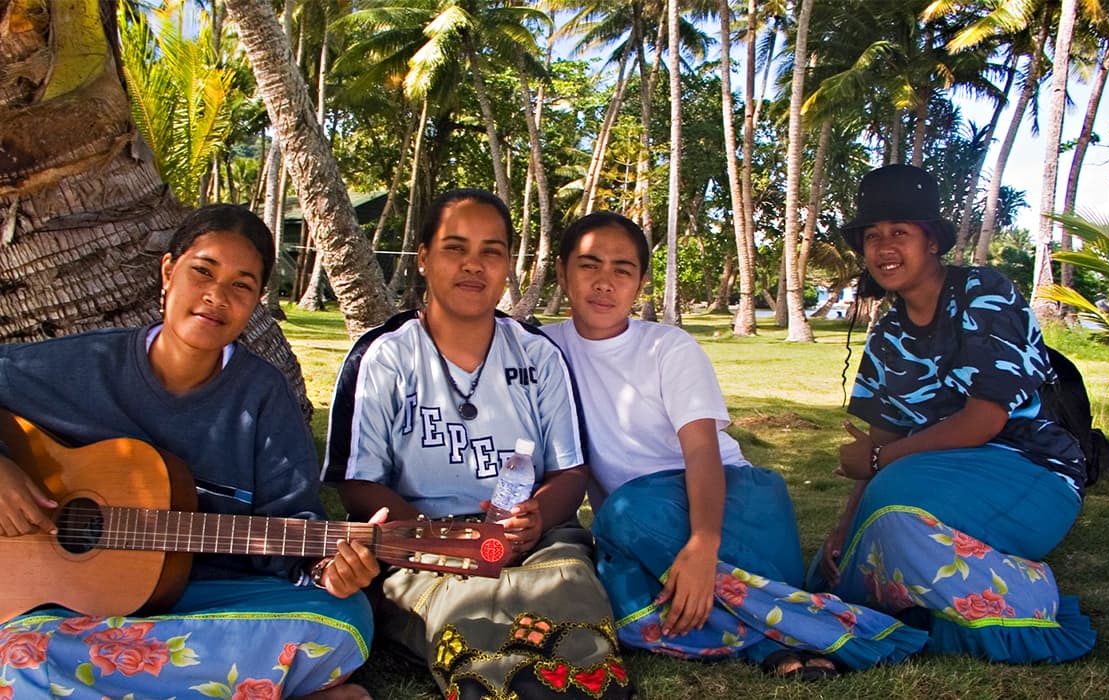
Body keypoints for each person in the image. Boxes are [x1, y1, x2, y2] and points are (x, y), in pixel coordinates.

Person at [0, 204, 382, 699]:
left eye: (241, 286)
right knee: (17, 652)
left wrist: (326, 570)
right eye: (202, 270)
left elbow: (294, 531)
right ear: (167, 272)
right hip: (77, 607)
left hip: (212, 604)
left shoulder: (263, 398)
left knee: (343, 621)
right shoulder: (81, 365)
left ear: (255, 302)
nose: (216, 296)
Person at [542, 211, 927, 679]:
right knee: (614, 599)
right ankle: (776, 633)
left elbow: (702, 451)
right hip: (643, 534)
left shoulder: (668, 347)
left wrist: (704, 545)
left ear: (641, 282)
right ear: (561, 272)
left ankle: (826, 631)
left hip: (733, 505)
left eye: (622, 270)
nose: (605, 282)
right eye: (589, 265)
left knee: (622, 512)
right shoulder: (541, 350)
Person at [323, 190, 633, 700]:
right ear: (423, 258)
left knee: (571, 605)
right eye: (454, 248)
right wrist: (435, 540)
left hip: (532, 544)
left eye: (491, 251)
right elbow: (358, 482)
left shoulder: (539, 356)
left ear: (507, 264)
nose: (473, 265)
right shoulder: (384, 357)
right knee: (468, 625)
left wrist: (536, 515)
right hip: (419, 547)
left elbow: (569, 472)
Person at [807, 164, 1096, 663]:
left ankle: (1029, 596)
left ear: (933, 241)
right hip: (925, 481)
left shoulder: (984, 292)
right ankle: (928, 610)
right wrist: (844, 524)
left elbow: (984, 421)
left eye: (900, 232)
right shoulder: (887, 334)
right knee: (830, 565)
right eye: (872, 236)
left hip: (1032, 470)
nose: (884, 247)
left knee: (894, 506)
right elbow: (885, 441)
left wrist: (877, 464)